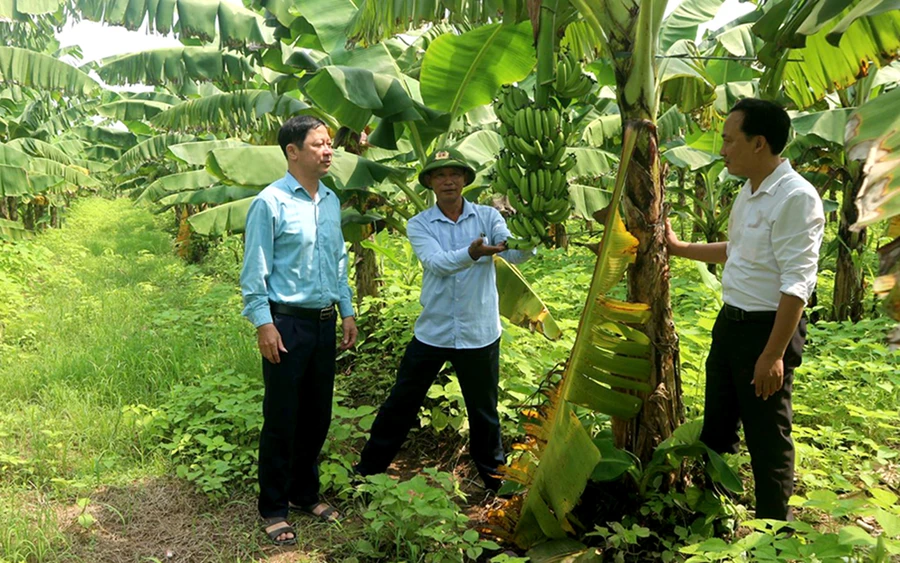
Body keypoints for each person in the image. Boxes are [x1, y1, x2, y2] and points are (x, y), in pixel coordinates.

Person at [666, 98, 825, 520]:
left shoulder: (796, 198)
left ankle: (774, 525)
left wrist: (772, 355)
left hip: (767, 329)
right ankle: (714, 509)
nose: (722, 150)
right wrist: (680, 249)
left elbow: (796, 285)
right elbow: (737, 252)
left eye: (728, 140)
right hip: (731, 324)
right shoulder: (749, 192)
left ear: (758, 143)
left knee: (767, 434)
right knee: (718, 425)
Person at [354, 148, 533, 492]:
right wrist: (472, 253)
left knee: (484, 413)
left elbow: (514, 252)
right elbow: (436, 263)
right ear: (430, 184)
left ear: (465, 180)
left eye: (454, 174)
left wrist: (532, 236)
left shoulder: (487, 217)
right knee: (401, 403)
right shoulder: (419, 224)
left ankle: (496, 486)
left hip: (479, 332)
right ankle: (368, 472)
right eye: (439, 175)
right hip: (433, 331)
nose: (448, 180)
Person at [240, 115, 358, 545]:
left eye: (329, 143)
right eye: (318, 144)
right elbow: (255, 269)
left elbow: (339, 260)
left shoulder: (329, 200)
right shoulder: (269, 203)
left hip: (324, 321)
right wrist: (263, 324)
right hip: (285, 322)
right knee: (282, 416)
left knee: (316, 415)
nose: (328, 150)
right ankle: (273, 506)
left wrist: (346, 310)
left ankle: (304, 492)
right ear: (293, 152)